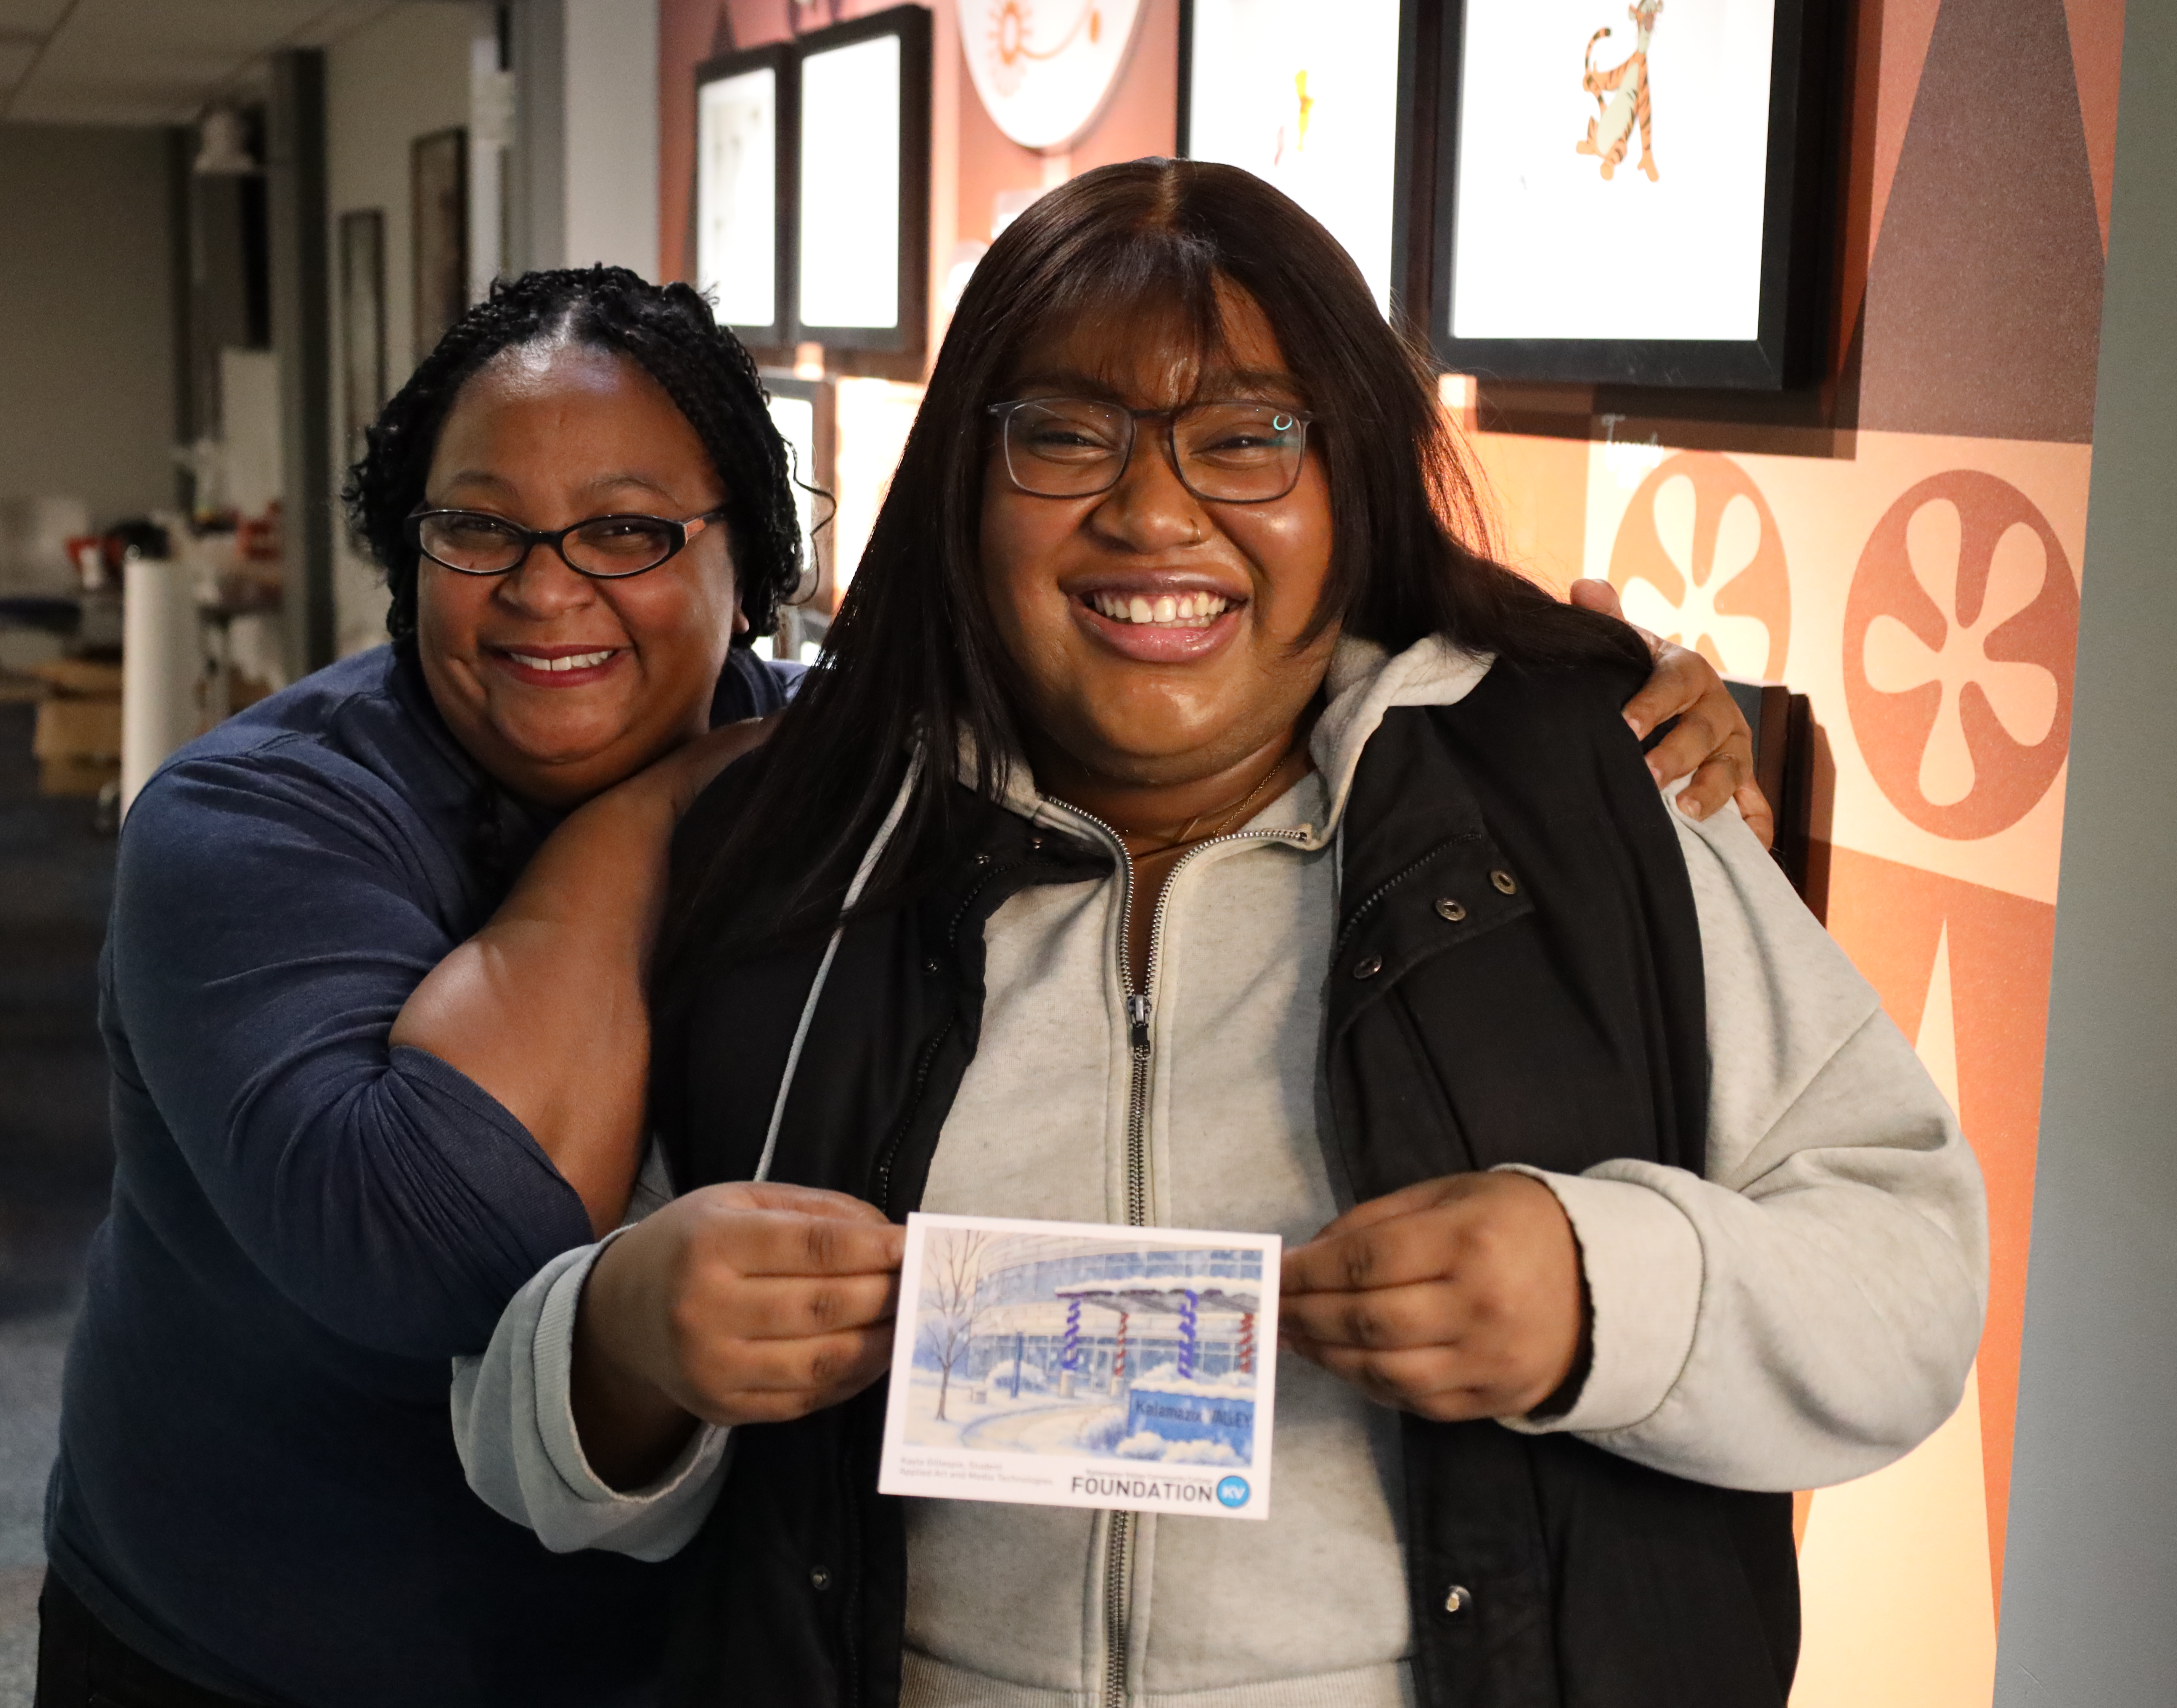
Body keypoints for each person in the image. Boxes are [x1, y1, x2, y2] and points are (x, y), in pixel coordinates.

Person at [455, 161, 1988, 1708]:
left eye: (1249, 435)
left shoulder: (1600, 800)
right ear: (968, 491)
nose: (1152, 508)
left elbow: (1912, 1281)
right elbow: (510, 1430)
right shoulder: (801, 852)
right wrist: (626, 1341)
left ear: (1355, 482)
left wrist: (1604, 1293)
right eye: (1065, 433)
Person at [34, 267, 795, 1708]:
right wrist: (645, 820)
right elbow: (438, 1252)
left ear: (747, 561)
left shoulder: (842, 772)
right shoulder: (247, 822)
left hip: (694, 1648)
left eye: (628, 529)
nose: (544, 585)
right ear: (410, 546)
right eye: (479, 526)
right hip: (262, 1646)